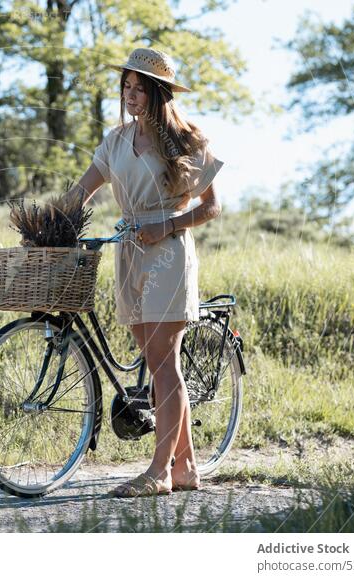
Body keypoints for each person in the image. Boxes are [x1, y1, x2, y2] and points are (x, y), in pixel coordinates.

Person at [64, 47, 225, 497]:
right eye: (126, 87)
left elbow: (211, 207)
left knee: (163, 362)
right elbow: (81, 191)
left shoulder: (186, 142)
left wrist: (167, 224)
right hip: (129, 253)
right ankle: (186, 466)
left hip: (168, 253)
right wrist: (50, 223)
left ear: (158, 93)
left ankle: (157, 471)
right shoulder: (115, 141)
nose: (130, 95)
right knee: (158, 366)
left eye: (140, 88)